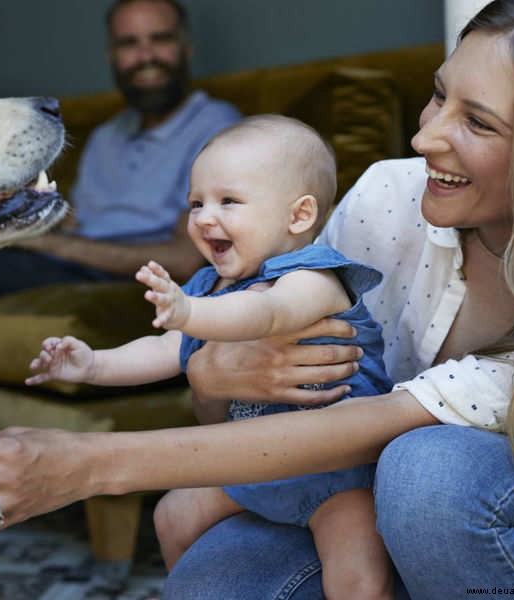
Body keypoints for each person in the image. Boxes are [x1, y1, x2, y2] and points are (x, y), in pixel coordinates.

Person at [0, 1, 514, 597]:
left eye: (476, 122)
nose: (424, 139)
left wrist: (86, 464)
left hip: (465, 497)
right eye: (438, 96)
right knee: (205, 574)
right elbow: (227, 389)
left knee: (428, 476)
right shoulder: (388, 196)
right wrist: (204, 368)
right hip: (324, 471)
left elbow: (355, 419)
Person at [26, 115, 394, 597]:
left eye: (228, 202)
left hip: (336, 472)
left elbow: (266, 313)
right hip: (253, 464)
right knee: (172, 515)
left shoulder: (317, 278)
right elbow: (164, 350)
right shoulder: (209, 287)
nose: (202, 217)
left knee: (358, 580)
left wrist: (189, 311)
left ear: (299, 216)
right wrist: (92, 364)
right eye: (195, 203)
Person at [0, 0, 241, 326]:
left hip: (123, 279)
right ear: (112, 57)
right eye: (128, 43)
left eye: (160, 39)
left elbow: (186, 259)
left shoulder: (217, 128)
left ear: (186, 48)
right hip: (65, 263)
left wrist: (48, 244)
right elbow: (75, 220)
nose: (145, 56)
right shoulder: (106, 135)